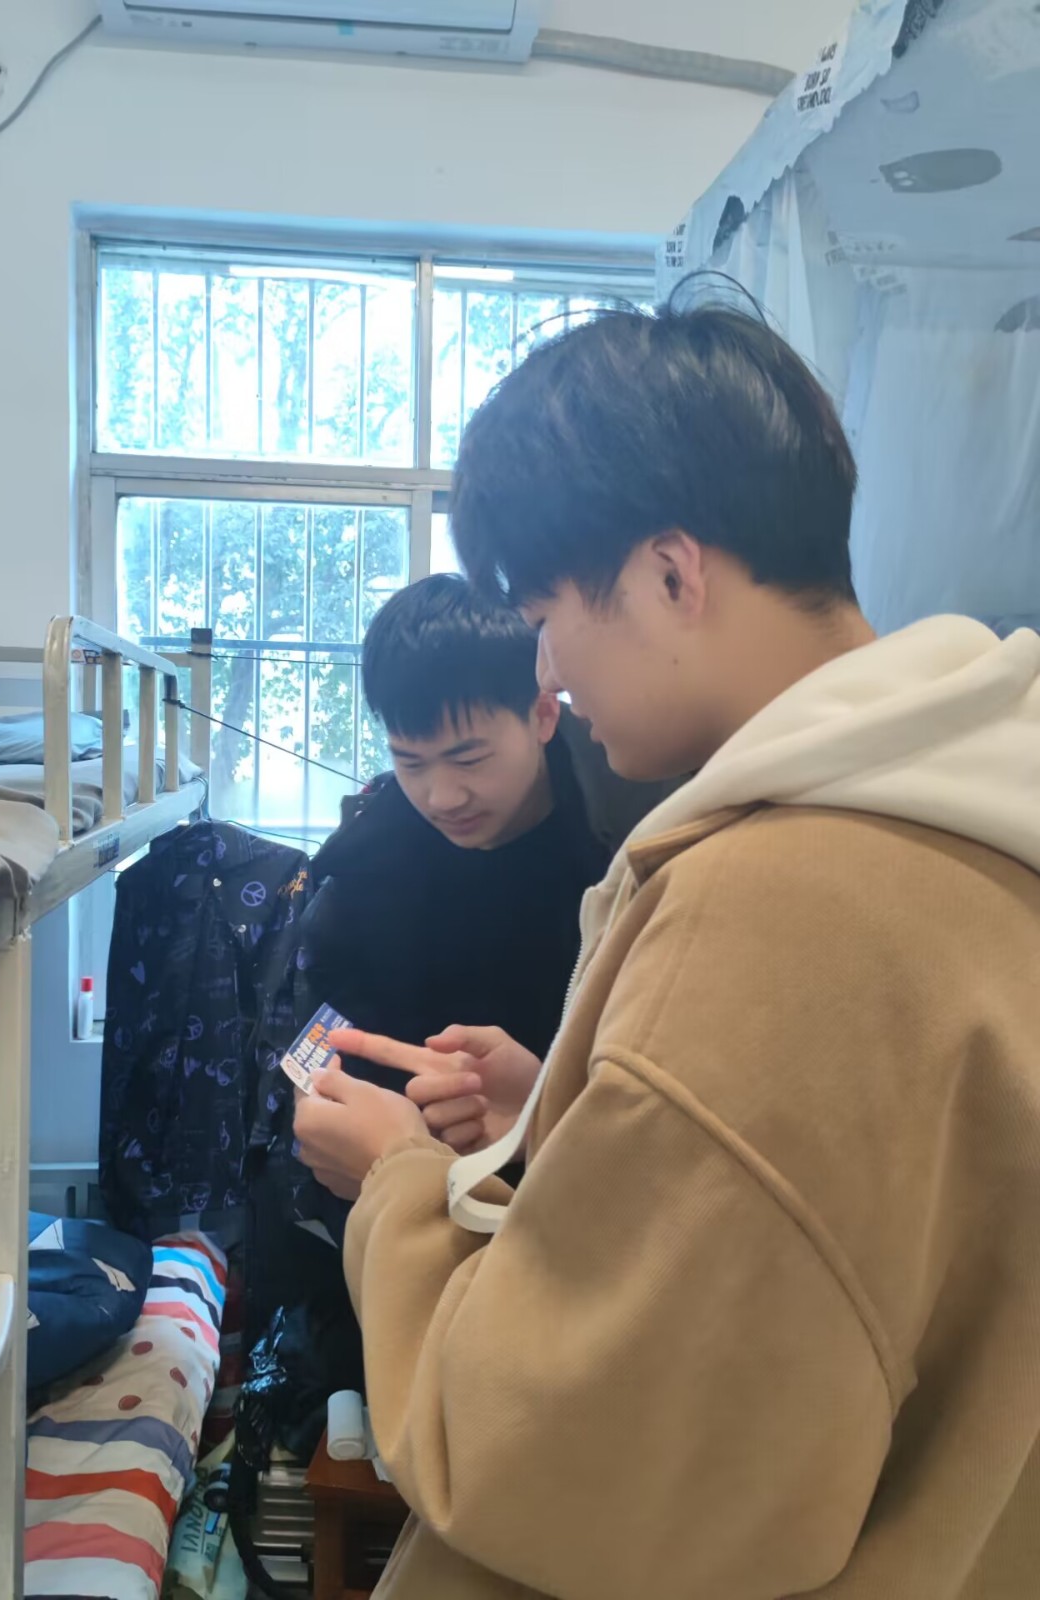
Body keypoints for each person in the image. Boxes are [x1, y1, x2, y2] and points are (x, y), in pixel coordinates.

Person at [294, 298, 1040, 1598]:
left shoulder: (776, 906)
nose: (549, 670)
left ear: (670, 576)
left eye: (546, 613)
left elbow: (549, 1458)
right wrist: (565, 1113)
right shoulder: (980, 818)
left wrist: (400, 1182)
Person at [300, 572, 674, 1085]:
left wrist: (542, 1110)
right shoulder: (366, 874)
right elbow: (327, 1047)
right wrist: (323, 1097)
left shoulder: (646, 830)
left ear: (543, 715)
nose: (442, 797)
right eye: (411, 762)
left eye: (469, 759)